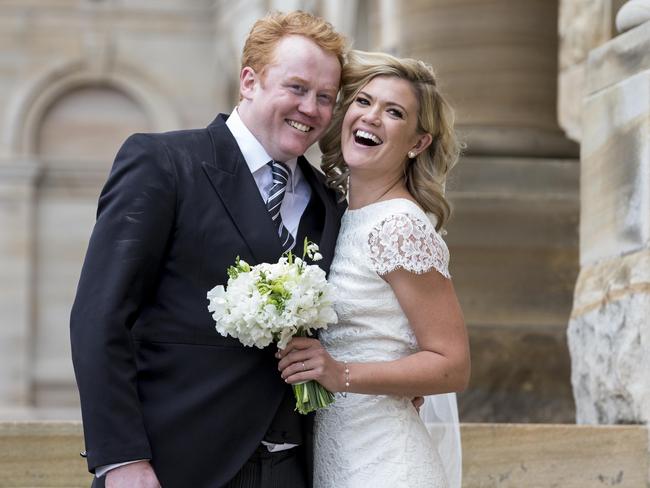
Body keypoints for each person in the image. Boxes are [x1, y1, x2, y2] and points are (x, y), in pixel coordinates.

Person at [70, 11, 346, 488]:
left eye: (325, 97)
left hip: (294, 470)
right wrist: (121, 458)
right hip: (174, 465)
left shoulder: (330, 202)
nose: (311, 109)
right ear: (249, 81)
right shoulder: (163, 164)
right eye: (297, 88)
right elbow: (100, 315)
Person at [277, 50, 471, 487]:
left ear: (418, 142)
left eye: (394, 112)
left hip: (385, 463)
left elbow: (452, 364)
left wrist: (338, 373)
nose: (371, 117)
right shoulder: (340, 214)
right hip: (335, 454)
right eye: (363, 102)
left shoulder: (399, 225)